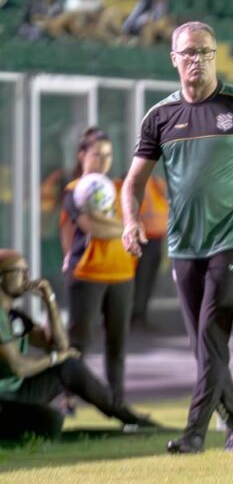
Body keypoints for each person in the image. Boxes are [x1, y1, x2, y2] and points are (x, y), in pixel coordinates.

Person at [121, 21, 233, 454]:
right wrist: (130, 220)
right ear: (174, 59)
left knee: (212, 336)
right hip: (183, 245)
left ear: (215, 56)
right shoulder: (159, 116)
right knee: (204, 345)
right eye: (189, 53)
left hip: (232, 241)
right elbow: (132, 182)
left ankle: (195, 432)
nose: (198, 60)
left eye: (206, 52)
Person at [0, 249, 155, 442]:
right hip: (4, 399)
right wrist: (55, 358)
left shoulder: (14, 314)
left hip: (16, 391)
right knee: (51, 423)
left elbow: (61, 346)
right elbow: (18, 367)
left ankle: (128, 416)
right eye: (19, 271)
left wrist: (50, 300)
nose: (26, 277)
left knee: (69, 366)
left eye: (27, 271)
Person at [60, 127, 137, 410]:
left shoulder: (117, 188)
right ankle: (68, 398)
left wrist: (128, 226)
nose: (103, 161)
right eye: (96, 154)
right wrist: (128, 228)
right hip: (87, 274)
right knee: (78, 342)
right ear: (82, 155)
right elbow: (91, 227)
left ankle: (117, 404)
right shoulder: (74, 190)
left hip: (122, 274)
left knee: (117, 345)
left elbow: (124, 221)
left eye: (108, 155)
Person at [131, 175, 169, 329]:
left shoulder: (157, 184)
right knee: (141, 280)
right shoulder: (138, 183)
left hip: (157, 239)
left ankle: (141, 315)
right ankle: (135, 316)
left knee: (149, 280)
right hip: (143, 239)